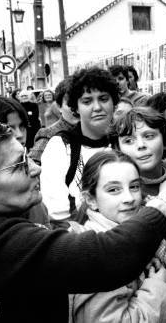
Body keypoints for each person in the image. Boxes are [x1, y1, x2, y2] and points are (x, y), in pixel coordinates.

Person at [0, 119, 166, 323]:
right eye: (19, 164)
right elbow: (104, 257)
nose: (36, 168)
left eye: (27, 156)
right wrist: (159, 211)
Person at [69, 150, 166, 323]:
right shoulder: (97, 252)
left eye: (134, 187)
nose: (129, 198)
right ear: (91, 199)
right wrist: (157, 288)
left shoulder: (140, 227)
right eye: (114, 189)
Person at [39, 67, 118, 225]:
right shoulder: (60, 146)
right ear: (76, 107)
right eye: (87, 101)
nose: (97, 107)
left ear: (113, 101)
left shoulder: (124, 142)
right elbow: (57, 212)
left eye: (103, 98)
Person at [30, 77, 78, 164]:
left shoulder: (98, 131)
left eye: (85, 102)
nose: (77, 109)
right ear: (59, 106)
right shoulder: (48, 135)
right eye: (71, 104)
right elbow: (32, 167)